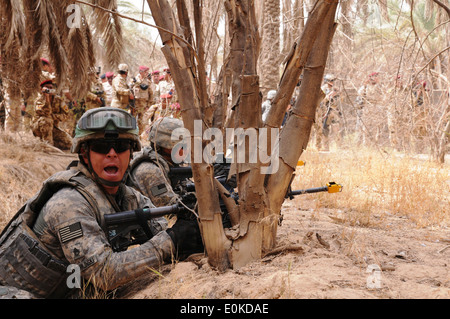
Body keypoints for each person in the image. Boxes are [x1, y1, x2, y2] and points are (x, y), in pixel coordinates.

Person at [0, 107, 203, 299]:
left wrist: (188, 222)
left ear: (130, 153)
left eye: (122, 147)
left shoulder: (127, 197)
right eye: (101, 147)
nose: (112, 153)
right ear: (84, 155)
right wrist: (171, 241)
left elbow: (160, 231)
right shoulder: (69, 203)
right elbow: (104, 273)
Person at [127, 117, 185, 207]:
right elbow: (169, 207)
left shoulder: (166, 164)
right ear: (170, 148)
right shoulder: (151, 171)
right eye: (183, 146)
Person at [31, 79, 72, 150]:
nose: (49, 89)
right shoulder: (39, 100)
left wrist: (54, 117)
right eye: (47, 87)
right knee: (46, 120)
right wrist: (46, 98)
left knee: (69, 143)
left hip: (53, 127)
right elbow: (46, 113)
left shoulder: (58, 100)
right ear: (42, 89)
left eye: (51, 87)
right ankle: (48, 146)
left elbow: (66, 115)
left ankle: (50, 142)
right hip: (39, 128)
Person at [132, 66, 153, 133]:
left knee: (142, 122)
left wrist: (148, 106)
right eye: (145, 72)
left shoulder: (148, 82)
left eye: (147, 72)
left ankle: (140, 135)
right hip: (135, 105)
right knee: (132, 120)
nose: (147, 73)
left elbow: (151, 94)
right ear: (141, 72)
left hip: (143, 106)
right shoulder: (134, 80)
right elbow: (130, 91)